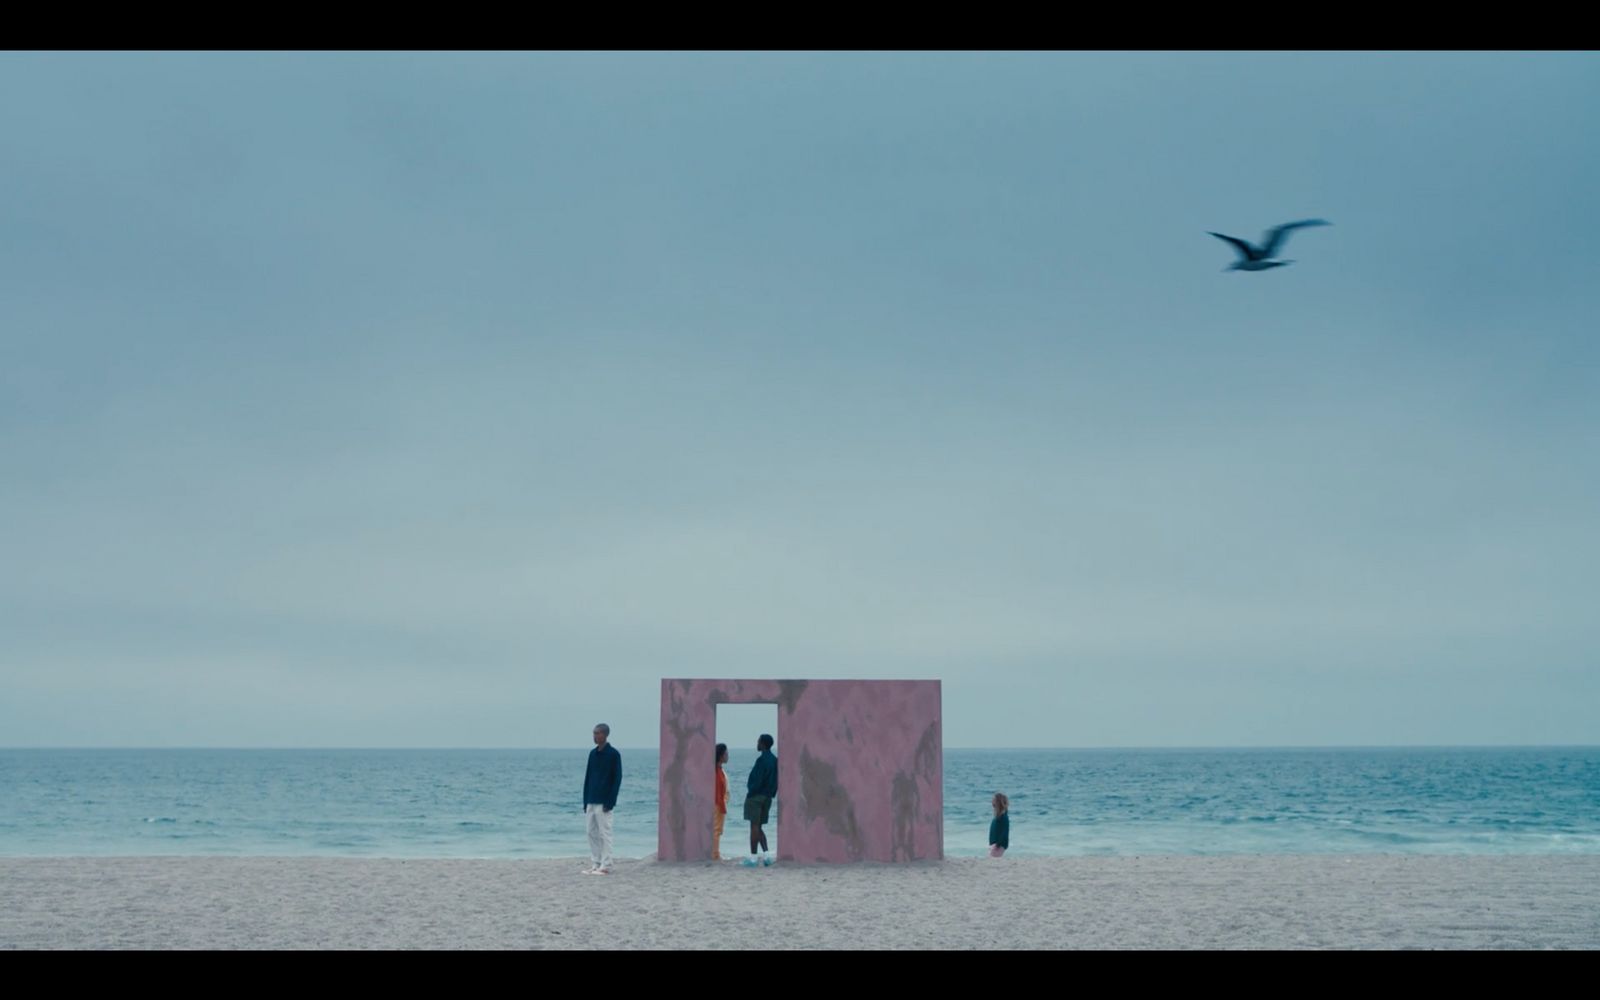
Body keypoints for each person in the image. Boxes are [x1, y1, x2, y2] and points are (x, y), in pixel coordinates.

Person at [582, 723, 622, 875]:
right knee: (590, 832)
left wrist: (610, 801)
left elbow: (617, 779)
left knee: (604, 833)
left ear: (605, 735)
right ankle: (596, 862)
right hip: (591, 799)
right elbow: (588, 777)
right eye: (594, 733)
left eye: (598, 733)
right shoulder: (592, 754)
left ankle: (606, 865)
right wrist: (585, 800)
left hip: (604, 801)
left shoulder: (613, 754)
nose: (595, 736)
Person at [743, 733, 778, 867]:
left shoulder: (762, 760)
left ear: (763, 744)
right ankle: (767, 856)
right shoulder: (775, 760)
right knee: (759, 826)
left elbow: (757, 780)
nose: (757, 744)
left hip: (756, 797)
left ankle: (753, 858)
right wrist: (771, 794)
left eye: (758, 741)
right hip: (767, 797)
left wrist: (751, 792)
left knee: (754, 826)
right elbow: (775, 780)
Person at [713, 743, 730, 860]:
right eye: (726, 753)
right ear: (720, 756)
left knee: (717, 830)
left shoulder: (719, 770)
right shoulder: (717, 772)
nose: (728, 756)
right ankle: (715, 854)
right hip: (719, 804)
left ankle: (715, 853)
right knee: (717, 830)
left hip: (720, 803)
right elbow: (718, 791)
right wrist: (722, 806)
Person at [988, 792, 1009, 858]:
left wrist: (998, 844)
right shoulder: (998, 816)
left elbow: (1004, 831)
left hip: (999, 845)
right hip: (994, 844)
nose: (992, 801)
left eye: (993, 800)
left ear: (998, 802)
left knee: (991, 859)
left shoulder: (1003, 817)